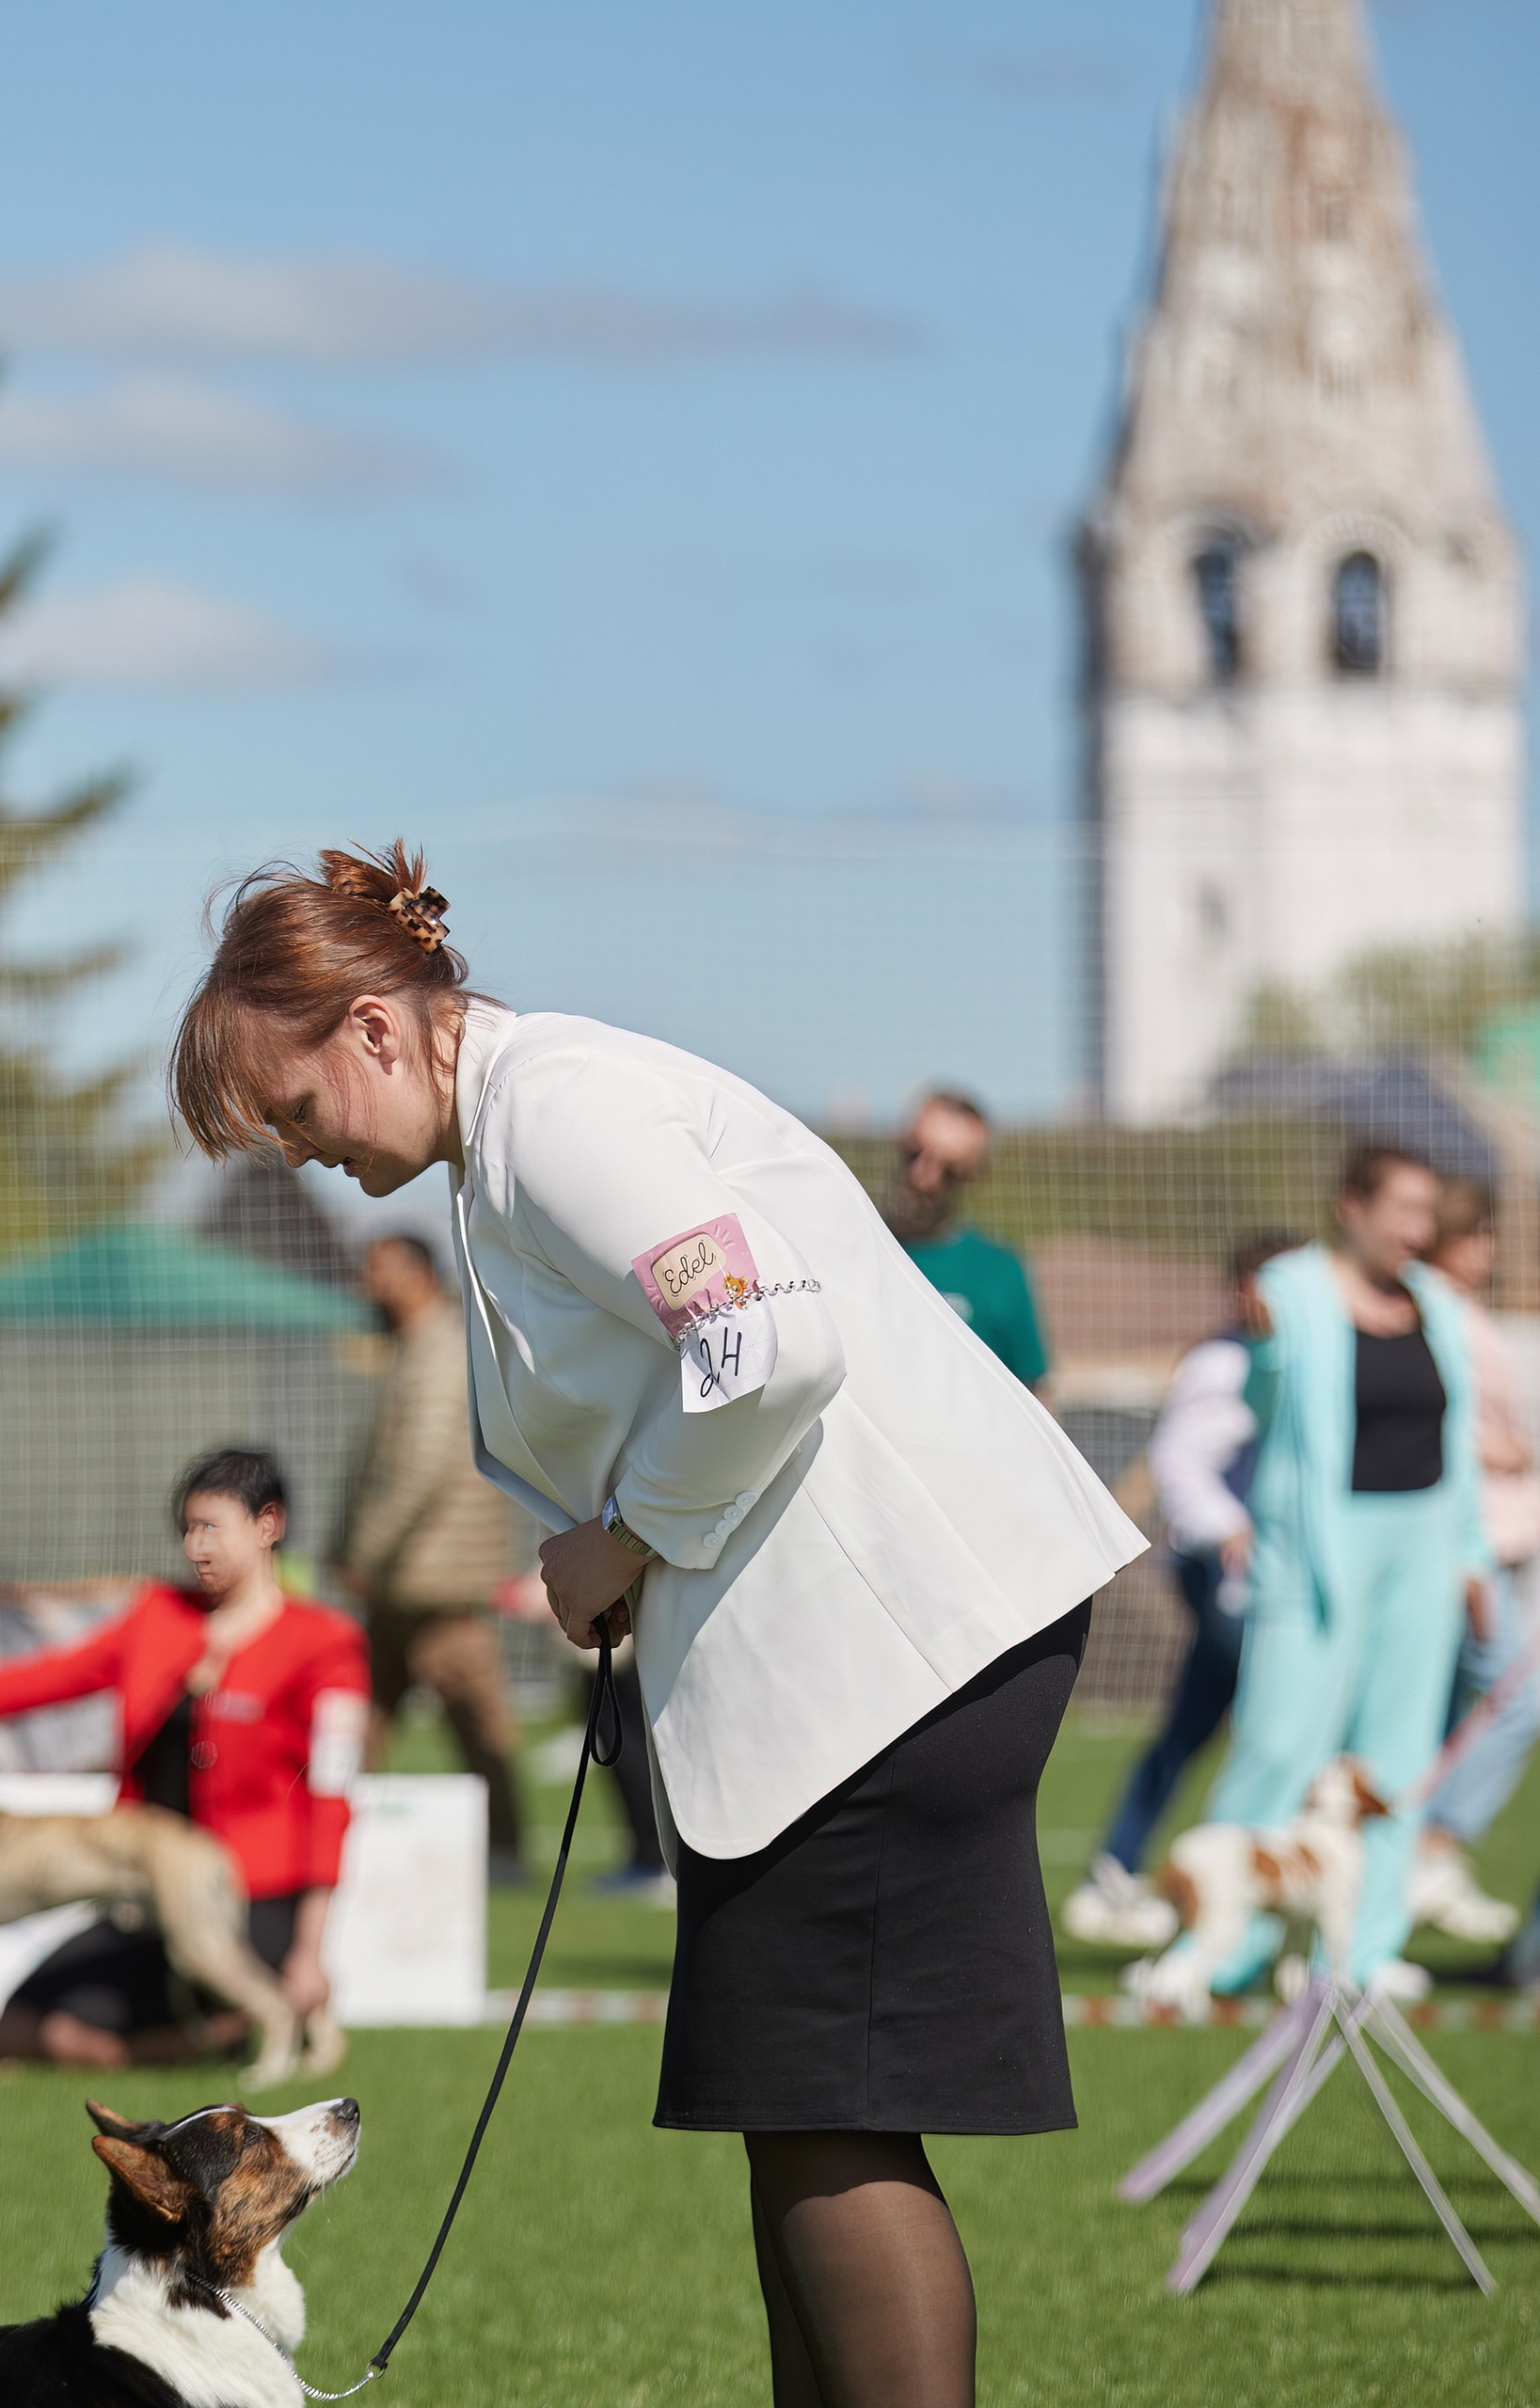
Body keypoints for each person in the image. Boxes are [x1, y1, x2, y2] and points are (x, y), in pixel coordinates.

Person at [167, 843, 1141, 2408]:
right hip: (867, 1664)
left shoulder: (555, 1110)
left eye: (289, 1108)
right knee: (799, 2114)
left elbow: (764, 1342)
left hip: (892, 1659)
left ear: (374, 1028)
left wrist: (626, 1539)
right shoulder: (508, 1135)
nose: (294, 1151)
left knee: (828, 2116)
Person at [0, 1449, 369, 2068]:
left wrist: (310, 1949)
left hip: (252, 1896)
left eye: (211, 1528)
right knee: (21, 2032)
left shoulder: (325, 1642)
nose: (195, 1547)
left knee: (111, 2017)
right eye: (188, 1530)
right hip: (142, 1887)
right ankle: (209, 2035)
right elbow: (53, 1676)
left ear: (267, 1525)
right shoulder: (157, 1616)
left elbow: (331, 1799)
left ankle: (246, 2013)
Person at [1156, 1147, 1488, 2002]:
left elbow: (1454, 1439)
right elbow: (1264, 1405)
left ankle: (1362, 1952)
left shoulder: (1436, 1302)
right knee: (1278, 1742)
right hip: (1313, 1553)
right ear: (1352, 1206)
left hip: (1423, 1546)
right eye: (1403, 1209)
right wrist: (1266, 1345)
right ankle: (1224, 1943)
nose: (1419, 1228)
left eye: (1428, 1213)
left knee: (1397, 1758)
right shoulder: (1291, 1290)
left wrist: (1471, 1557)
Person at [1063, 1231, 1294, 1949]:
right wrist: (1230, 1527)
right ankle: (1233, 1887)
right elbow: (1179, 1460)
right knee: (1277, 1719)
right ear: (1241, 1289)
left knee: (1197, 1718)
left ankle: (1115, 1870)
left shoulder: (1292, 1352)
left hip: (1259, 1575)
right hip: (1225, 1574)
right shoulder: (1225, 1361)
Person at [338, 1231, 530, 1882]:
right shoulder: (415, 1348)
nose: (366, 1280)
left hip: (436, 1582)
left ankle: (505, 1854)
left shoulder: (441, 1351)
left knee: (478, 1724)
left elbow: (417, 1471)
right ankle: (329, 1836)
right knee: (359, 1717)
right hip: (406, 1579)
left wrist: (363, 1551)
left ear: (418, 1274)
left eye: (379, 1268)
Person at [1407, 1180, 1539, 1945]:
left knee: (1449, 1710)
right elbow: (1439, 1419)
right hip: (1472, 1543)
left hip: (1504, 1536)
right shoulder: (1437, 1311)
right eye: (1477, 1233)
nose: (1490, 1248)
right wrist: (1498, 1450)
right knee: (1518, 1695)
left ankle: (1408, 1866)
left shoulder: (1464, 1310)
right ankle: (1435, 1847)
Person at [883, 1091, 1048, 1389]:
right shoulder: (857, 1246)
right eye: (915, 1153)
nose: (923, 1177)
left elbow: (1036, 1392)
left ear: (972, 1175)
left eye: (949, 1169)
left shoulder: (999, 1272)